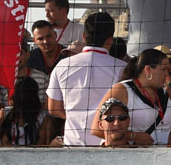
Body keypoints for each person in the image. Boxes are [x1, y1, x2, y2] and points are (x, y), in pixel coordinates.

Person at [46, 11, 126, 146]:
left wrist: (76, 116)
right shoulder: (122, 68)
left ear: (84, 36)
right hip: (107, 143)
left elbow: (53, 108)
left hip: (72, 142)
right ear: (110, 40)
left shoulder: (63, 65)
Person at [91, 49, 171, 147]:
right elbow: (96, 129)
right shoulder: (122, 89)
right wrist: (133, 136)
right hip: (131, 156)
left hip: (162, 158)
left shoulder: (164, 93)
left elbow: (167, 133)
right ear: (148, 70)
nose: (167, 74)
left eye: (169, 70)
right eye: (164, 69)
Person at [0, 77, 46, 146]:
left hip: (34, 155)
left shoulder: (42, 117)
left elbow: (41, 143)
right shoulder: (5, 113)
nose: (7, 95)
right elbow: (4, 142)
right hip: (9, 153)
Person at [26, 19, 73, 88]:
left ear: (55, 35)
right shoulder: (29, 58)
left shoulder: (69, 56)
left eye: (49, 36)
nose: (45, 41)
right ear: (34, 41)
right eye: (40, 39)